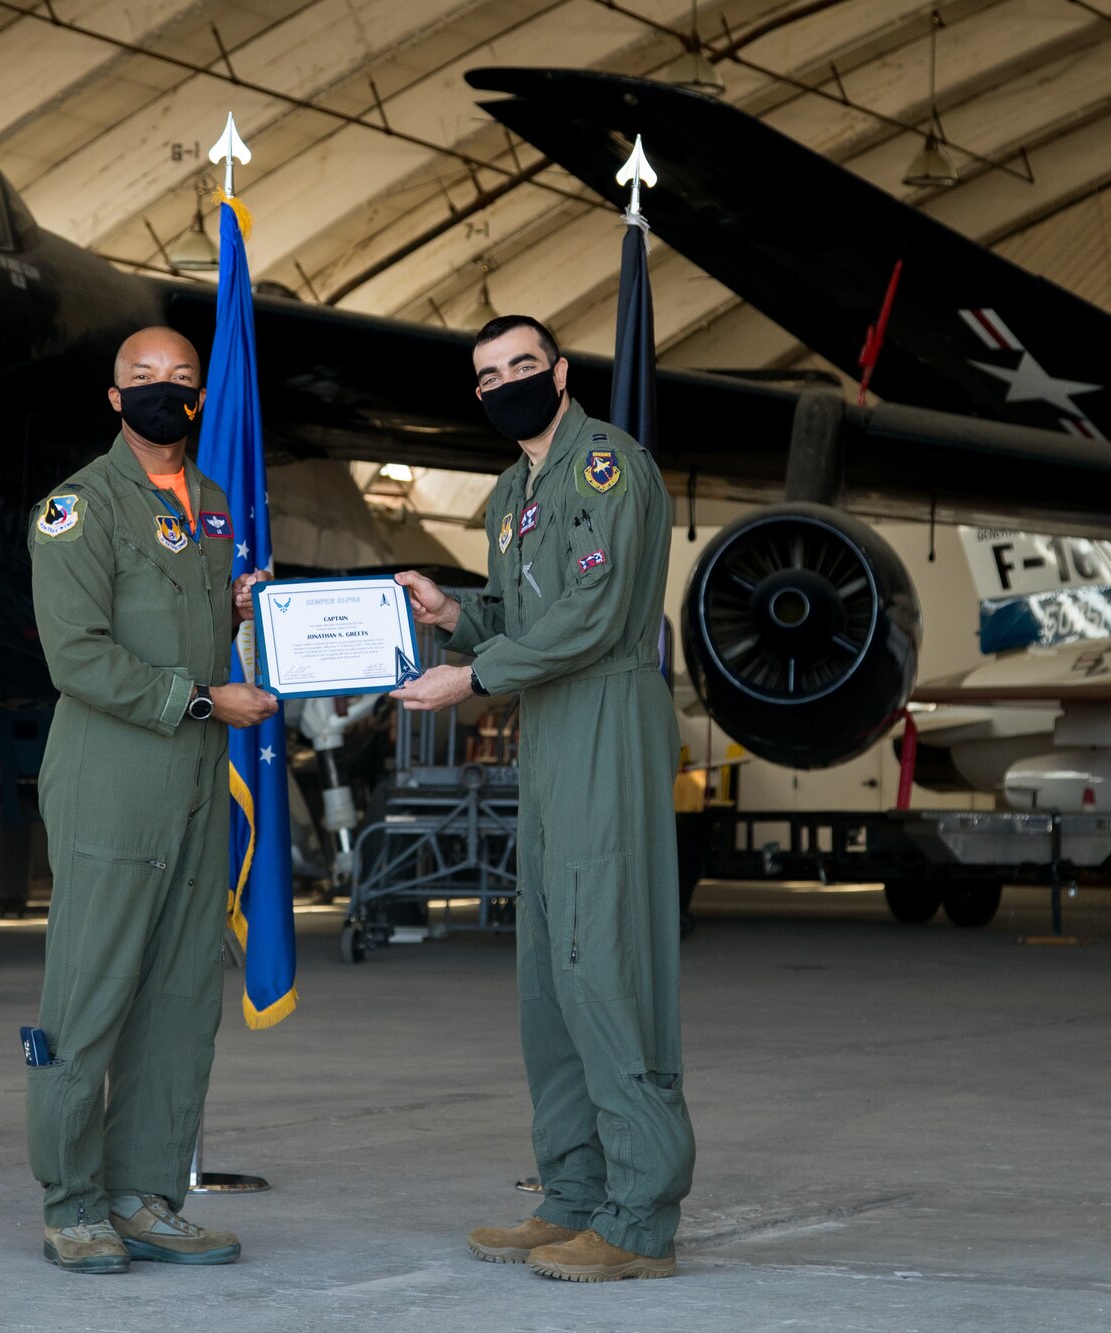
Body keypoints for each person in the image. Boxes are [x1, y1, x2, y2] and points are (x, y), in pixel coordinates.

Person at [392, 314, 695, 1282]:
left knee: (605, 962)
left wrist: (473, 676)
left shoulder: (608, 466)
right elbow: (517, 615)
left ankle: (639, 1216)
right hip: (550, 729)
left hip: (603, 712)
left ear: (559, 373)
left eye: (523, 364)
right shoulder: (508, 493)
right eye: (488, 375)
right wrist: (452, 615)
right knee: (549, 977)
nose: (507, 381)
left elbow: (595, 615)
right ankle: (571, 1194)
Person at [25, 326, 277, 1275]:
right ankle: (73, 1200)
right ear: (113, 395)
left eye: (181, 379)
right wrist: (207, 698)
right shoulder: (78, 508)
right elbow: (78, 656)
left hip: (197, 783)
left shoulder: (209, 504)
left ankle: (144, 1195)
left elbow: (187, 616)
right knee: (90, 994)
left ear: (202, 399)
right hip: (114, 775)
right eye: (145, 379)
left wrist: (242, 611)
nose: (164, 391)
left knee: (178, 998)